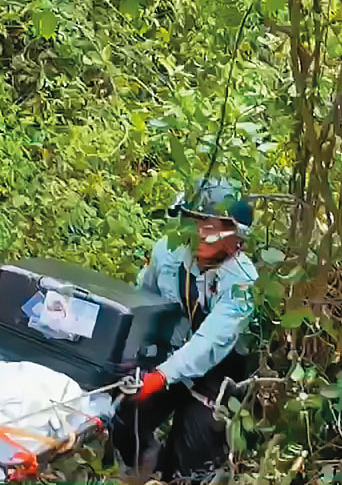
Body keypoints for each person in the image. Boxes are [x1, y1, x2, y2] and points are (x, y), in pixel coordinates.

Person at [111, 177, 259, 483]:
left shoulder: (243, 281)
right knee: (121, 413)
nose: (202, 233)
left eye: (214, 226)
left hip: (218, 369)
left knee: (193, 451)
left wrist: (162, 377)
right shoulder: (168, 252)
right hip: (167, 350)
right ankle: (143, 461)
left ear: (236, 235)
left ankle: (178, 471)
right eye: (196, 222)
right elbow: (143, 301)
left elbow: (212, 341)